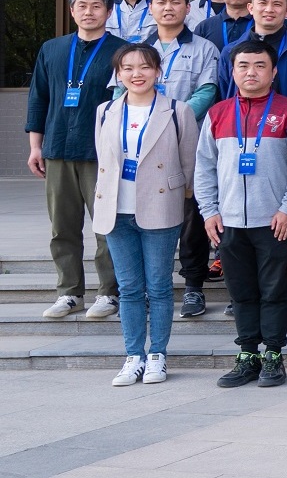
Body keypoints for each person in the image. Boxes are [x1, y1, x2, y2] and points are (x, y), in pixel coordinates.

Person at [197, 40, 287, 388]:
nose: (251, 72)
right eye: (243, 65)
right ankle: (247, 354)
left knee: (275, 290)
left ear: (273, 72)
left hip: (275, 221)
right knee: (241, 291)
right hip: (228, 221)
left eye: (260, 66)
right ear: (232, 71)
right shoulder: (217, 113)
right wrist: (209, 211)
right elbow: (204, 167)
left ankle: (273, 354)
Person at [94, 44, 199, 386]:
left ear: (157, 71)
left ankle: (157, 355)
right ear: (118, 74)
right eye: (127, 68)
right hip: (116, 210)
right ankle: (133, 356)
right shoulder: (105, 110)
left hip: (160, 207)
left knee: (159, 286)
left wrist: (182, 197)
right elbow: (103, 161)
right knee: (128, 288)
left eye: (144, 67)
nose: (136, 74)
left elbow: (189, 162)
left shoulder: (177, 111)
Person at [30, 0, 129, 320]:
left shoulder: (122, 51)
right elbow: (38, 98)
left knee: (107, 226)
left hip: (102, 152)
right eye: (82, 5)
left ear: (109, 11)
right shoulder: (52, 49)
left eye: (96, 6)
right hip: (57, 148)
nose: (89, 12)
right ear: (72, 10)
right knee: (62, 226)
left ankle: (109, 292)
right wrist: (35, 146)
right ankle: (69, 292)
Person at [133, 0, 225, 319]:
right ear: (151, 8)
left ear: (188, 8)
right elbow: (120, 92)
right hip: (141, 145)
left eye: (176, 2)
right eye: (161, 2)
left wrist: (170, 120)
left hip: (186, 141)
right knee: (145, 216)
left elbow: (207, 91)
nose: (168, 8)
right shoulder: (137, 50)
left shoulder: (204, 48)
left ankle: (193, 287)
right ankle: (147, 288)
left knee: (192, 219)